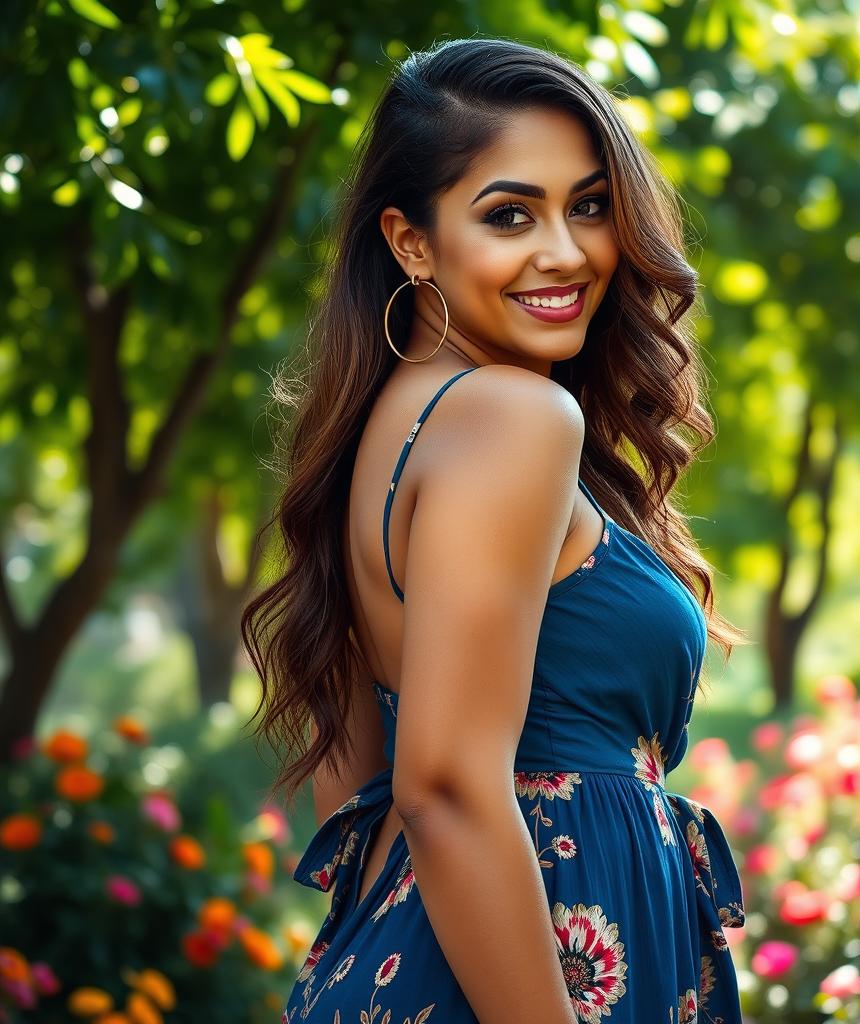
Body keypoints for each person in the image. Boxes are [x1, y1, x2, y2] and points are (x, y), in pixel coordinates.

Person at [242, 36, 750, 1024]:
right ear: (412, 242)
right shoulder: (515, 418)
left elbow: (358, 786)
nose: (566, 250)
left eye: (590, 205)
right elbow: (438, 784)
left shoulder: (383, 431)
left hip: (417, 963)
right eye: (510, 213)